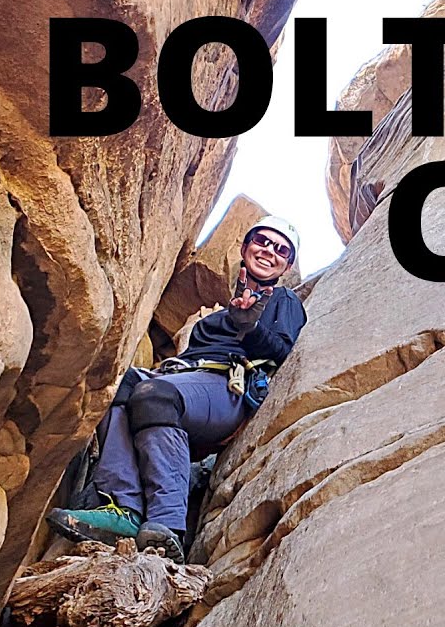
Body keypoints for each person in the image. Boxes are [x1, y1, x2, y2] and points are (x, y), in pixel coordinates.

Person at [46, 216, 308, 563]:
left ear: (287, 265)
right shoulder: (216, 316)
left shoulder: (283, 301)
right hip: (187, 383)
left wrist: (250, 327)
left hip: (226, 389)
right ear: (245, 248)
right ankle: (122, 509)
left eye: (280, 250)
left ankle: (167, 527)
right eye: (262, 241)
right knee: (121, 387)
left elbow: (281, 351)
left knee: (155, 395)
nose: (269, 251)